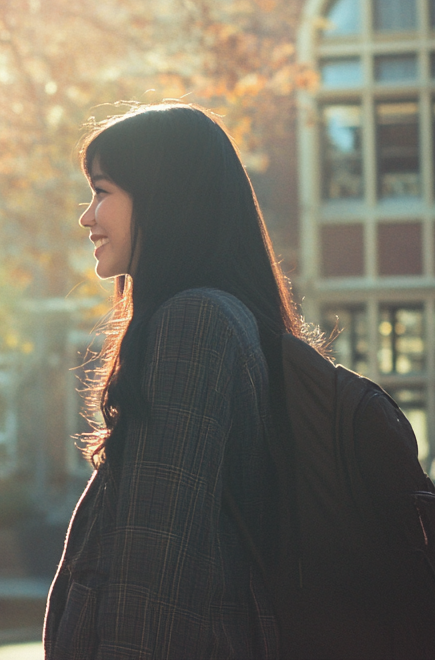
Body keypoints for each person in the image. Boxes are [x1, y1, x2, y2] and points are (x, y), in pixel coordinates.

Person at [44, 103, 302, 659]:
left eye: (102, 191)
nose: (87, 217)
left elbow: (153, 571)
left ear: (164, 199)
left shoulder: (195, 325)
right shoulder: (222, 318)